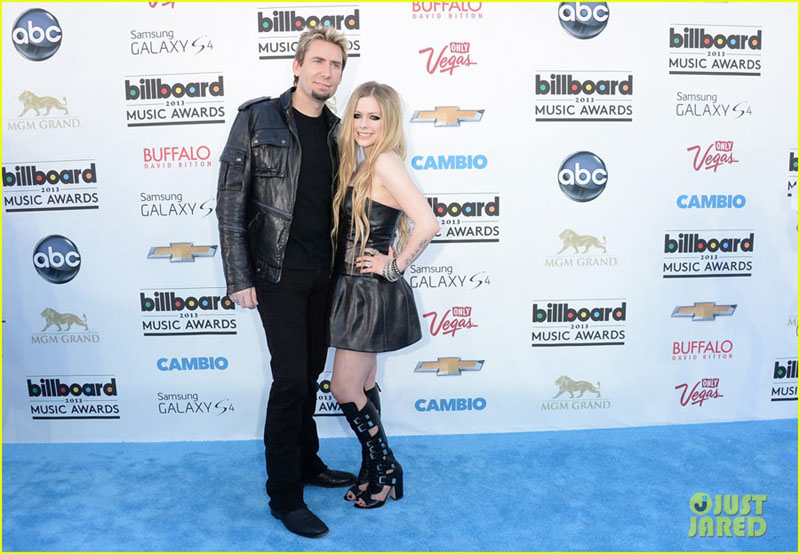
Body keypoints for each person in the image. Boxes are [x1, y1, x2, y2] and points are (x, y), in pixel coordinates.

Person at [215, 27, 357, 538]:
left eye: (335, 65)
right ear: (297, 66)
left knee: (311, 372)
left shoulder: (341, 132)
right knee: (292, 380)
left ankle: (309, 464)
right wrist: (239, 276)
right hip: (275, 274)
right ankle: (284, 495)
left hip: (325, 273)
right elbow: (231, 201)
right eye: (318, 61)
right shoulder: (258, 118)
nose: (326, 72)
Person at [328, 82, 440, 509]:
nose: (363, 124)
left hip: (369, 292)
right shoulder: (361, 163)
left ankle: (387, 467)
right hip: (355, 290)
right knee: (365, 383)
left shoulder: (386, 162)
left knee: (343, 386)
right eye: (357, 115)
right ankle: (373, 472)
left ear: (389, 121)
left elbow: (427, 223)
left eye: (374, 117)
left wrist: (393, 266)